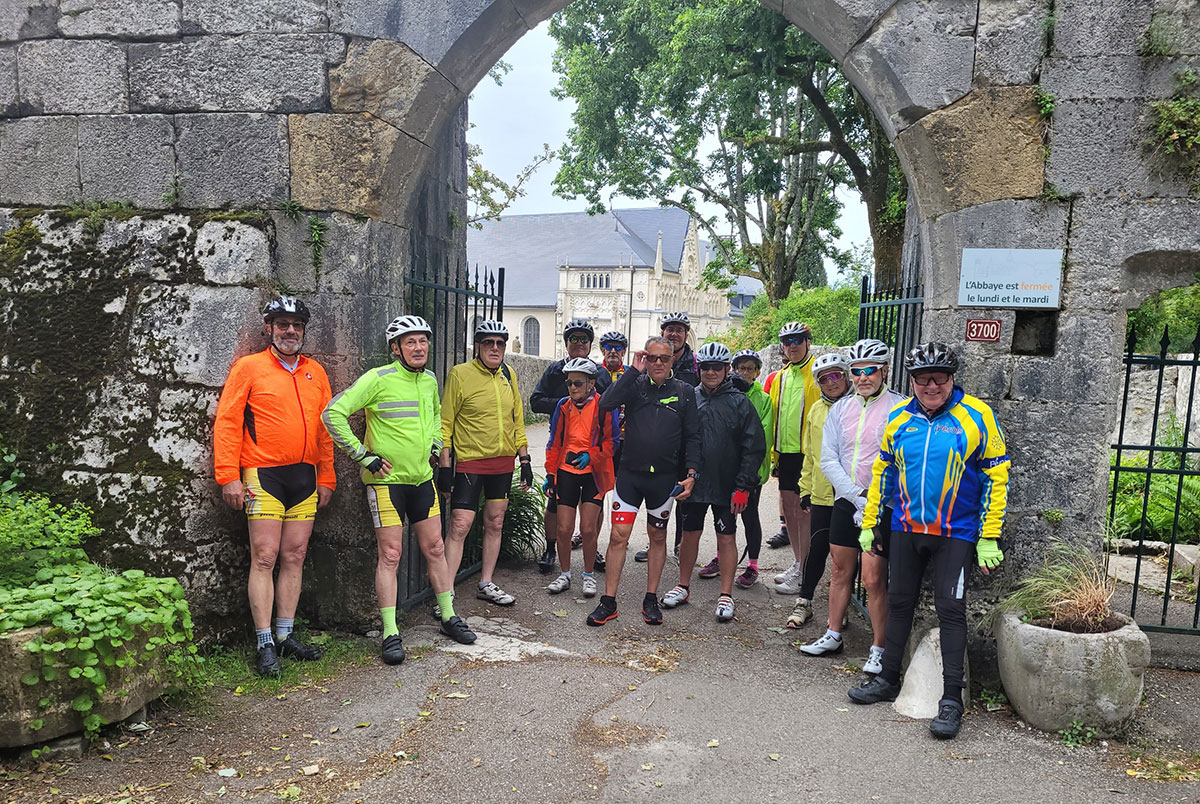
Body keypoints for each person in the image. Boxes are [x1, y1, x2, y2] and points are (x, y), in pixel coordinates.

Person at [847, 342, 1010, 740]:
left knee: (950, 609)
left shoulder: (976, 416)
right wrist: (870, 524)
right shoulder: (900, 418)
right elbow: (881, 476)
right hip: (905, 528)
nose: (931, 385)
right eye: (923, 379)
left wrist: (989, 537)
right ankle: (887, 679)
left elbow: (997, 476)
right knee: (898, 602)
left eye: (939, 377)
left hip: (956, 533)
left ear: (952, 379)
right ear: (913, 381)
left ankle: (951, 699)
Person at [322, 315, 477, 666]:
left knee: (436, 547)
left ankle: (448, 616)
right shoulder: (378, 379)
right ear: (396, 348)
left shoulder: (430, 380)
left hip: (422, 480)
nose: (419, 347)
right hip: (386, 484)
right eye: (410, 342)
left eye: (423, 340)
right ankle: (391, 632)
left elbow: (437, 416)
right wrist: (363, 456)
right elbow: (333, 413)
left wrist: (437, 444)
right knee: (391, 555)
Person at [213, 296, 335, 676]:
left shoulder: (315, 371)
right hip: (263, 474)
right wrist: (228, 475)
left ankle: (285, 635)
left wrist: (327, 475)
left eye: (296, 325)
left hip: (305, 476)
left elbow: (327, 427)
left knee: (295, 556)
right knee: (264, 556)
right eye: (282, 324)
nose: (290, 331)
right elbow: (228, 422)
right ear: (269, 328)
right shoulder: (249, 368)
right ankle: (264, 642)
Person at [801, 340, 905, 675]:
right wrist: (854, 493)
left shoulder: (901, 408)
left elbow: (905, 461)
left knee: (874, 578)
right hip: (847, 501)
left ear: (884, 370)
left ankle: (879, 648)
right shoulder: (841, 409)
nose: (862, 377)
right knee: (841, 570)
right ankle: (833, 633)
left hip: (883, 503)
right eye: (856, 371)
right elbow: (828, 459)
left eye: (869, 370)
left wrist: (873, 497)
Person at [589, 336, 701, 626]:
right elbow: (607, 403)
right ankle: (609, 601)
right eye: (652, 358)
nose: (658, 363)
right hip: (630, 475)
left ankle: (650, 598)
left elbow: (693, 437)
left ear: (673, 359)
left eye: (664, 358)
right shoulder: (635, 384)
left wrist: (690, 475)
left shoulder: (686, 392)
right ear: (645, 359)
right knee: (618, 536)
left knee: (658, 537)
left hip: (663, 479)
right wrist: (632, 371)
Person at [664, 343, 765, 621]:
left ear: (726, 369)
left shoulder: (740, 402)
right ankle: (683, 586)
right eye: (705, 367)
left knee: (726, 537)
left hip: (727, 484)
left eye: (716, 367)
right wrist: (677, 476)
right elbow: (677, 440)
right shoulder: (688, 397)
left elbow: (753, 447)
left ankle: (725, 595)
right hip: (693, 482)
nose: (711, 372)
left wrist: (744, 486)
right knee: (689, 536)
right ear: (699, 369)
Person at [438, 320, 532, 608]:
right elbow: (446, 423)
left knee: (495, 521)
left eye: (500, 343)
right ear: (477, 346)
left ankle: (486, 582)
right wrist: (444, 467)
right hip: (470, 462)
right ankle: (446, 593)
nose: (495, 348)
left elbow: (518, 419)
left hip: (503, 463)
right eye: (488, 343)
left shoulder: (509, 374)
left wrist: (524, 459)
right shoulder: (460, 374)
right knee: (460, 524)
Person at [529, 319, 611, 574]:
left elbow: (610, 405)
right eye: (573, 339)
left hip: (593, 450)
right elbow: (535, 401)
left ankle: (592, 546)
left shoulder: (601, 373)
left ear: (590, 344)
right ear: (566, 343)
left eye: (583, 339)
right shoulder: (556, 371)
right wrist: (567, 404)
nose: (578, 343)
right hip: (562, 444)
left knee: (594, 503)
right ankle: (550, 548)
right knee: (555, 503)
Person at [543, 358, 621, 599]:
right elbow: (554, 442)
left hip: (592, 474)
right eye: (569, 383)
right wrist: (550, 472)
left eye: (578, 383)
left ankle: (588, 575)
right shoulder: (563, 407)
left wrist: (592, 456)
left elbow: (613, 441)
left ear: (591, 383)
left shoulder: (604, 406)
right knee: (564, 529)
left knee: (588, 529)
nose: (573, 388)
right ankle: (565, 574)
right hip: (566, 472)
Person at [697, 348, 774, 587]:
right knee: (725, 520)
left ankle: (752, 564)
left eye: (750, 368)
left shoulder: (762, 399)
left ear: (757, 372)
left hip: (751, 471)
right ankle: (721, 558)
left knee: (750, 516)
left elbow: (761, 437)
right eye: (741, 368)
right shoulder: (723, 393)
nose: (745, 372)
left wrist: (752, 474)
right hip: (725, 470)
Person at [787, 351, 851, 629]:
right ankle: (804, 602)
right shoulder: (816, 410)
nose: (831, 382)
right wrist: (805, 490)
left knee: (846, 554)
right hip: (823, 493)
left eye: (836, 375)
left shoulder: (857, 407)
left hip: (850, 493)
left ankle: (841, 608)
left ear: (846, 376)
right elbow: (809, 454)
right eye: (824, 379)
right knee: (817, 548)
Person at [634, 311, 698, 562]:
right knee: (657, 494)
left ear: (686, 335)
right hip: (660, 441)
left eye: (679, 330)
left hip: (686, 438)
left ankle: (680, 545)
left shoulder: (696, 365)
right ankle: (655, 544)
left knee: (684, 497)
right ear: (662, 332)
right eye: (669, 329)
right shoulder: (653, 360)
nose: (674, 333)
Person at [768, 322, 821, 596]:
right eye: (787, 341)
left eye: (797, 340)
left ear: (807, 342)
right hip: (785, 453)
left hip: (807, 454)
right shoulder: (780, 377)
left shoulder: (818, 373)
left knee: (804, 514)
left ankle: (806, 570)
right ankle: (798, 562)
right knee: (789, 511)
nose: (792, 346)